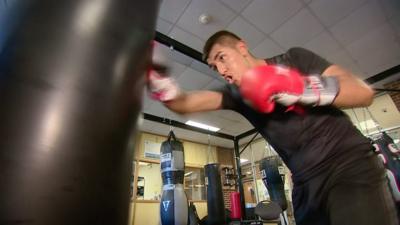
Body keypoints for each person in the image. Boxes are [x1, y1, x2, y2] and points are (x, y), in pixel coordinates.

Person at [147, 30, 398, 225]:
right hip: (305, 185)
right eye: (215, 67)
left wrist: (301, 88)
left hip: (348, 167)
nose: (222, 70)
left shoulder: (293, 59)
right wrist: (158, 81)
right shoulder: (238, 95)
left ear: (242, 47)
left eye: (222, 58)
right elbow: (186, 103)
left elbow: (362, 93)